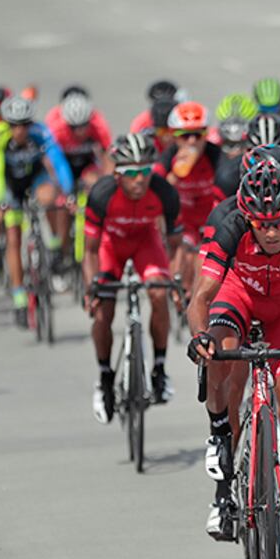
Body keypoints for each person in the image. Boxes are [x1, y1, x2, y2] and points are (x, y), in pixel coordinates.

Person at [188, 160, 280, 559]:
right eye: (260, 222)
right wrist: (200, 338)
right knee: (220, 353)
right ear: (246, 216)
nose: (269, 229)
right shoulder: (230, 226)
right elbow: (201, 299)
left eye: (278, 221)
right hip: (239, 298)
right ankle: (217, 433)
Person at [84, 133, 181, 416]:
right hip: (110, 248)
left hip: (145, 244)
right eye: (131, 172)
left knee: (158, 292)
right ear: (117, 173)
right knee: (103, 308)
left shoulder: (164, 192)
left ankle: (159, 370)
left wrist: (175, 282)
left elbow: (175, 249)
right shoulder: (102, 194)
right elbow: (89, 251)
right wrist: (91, 286)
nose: (139, 179)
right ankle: (104, 378)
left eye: (145, 171)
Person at [0, 95, 74, 324]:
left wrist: (65, 190)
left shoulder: (41, 133)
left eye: (24, 124)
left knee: (51, 199)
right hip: (11, 185)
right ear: (7, 124)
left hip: (35, 179)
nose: (20, 130)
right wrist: (1, 199)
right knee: (13, 237)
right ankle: (19, 296)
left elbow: (58, 163)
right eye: (14, 125)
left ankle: (53, 246)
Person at [152, 101, 223, 293]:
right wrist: (174, 175)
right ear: (174, 136)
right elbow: (154, 190)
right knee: (183, 251)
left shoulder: (215, 156)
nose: (192, 141)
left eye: (198, 134)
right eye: (185, 136)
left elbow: (230, 183)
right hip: (185, 220)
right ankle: (178, 291)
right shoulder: (169, 157)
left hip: (212, 218)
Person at [44, 87, 113, 192]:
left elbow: (107, 155)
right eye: (74, 127)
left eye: (84, 125)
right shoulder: (55, 128)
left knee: (93, 181)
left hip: (87, 163)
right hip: (64, 162)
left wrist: (108, 182)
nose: (80, 132)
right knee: (62, 187)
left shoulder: (98, 125)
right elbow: (50, 160)